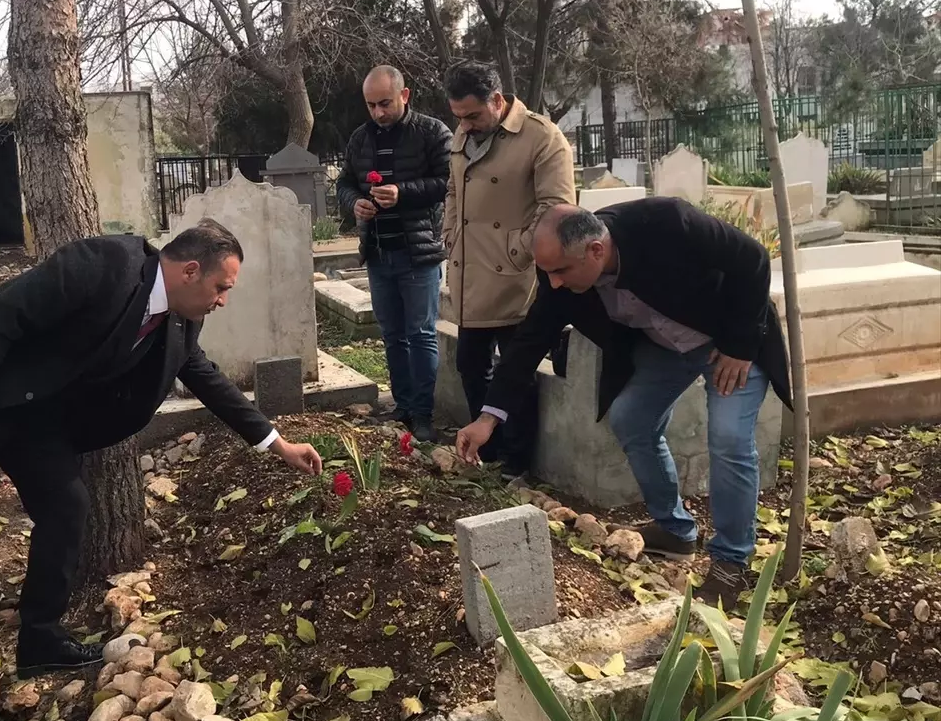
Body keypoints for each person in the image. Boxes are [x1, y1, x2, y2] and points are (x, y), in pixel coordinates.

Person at [0, 220, 323, 721]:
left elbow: (205, 377)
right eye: (222, 288)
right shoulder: (104, 265)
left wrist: (276, 443)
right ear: (190, 270)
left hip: (27, 412)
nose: (222, 301)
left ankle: (39, 637)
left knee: (66, 505)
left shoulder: (177, 321)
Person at [455, 200, 792, 609]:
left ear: (596, 251)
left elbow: (752, 258)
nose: (554, 283)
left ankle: (730, 563)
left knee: (729, 438)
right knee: (632, 417)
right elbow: (531, 339)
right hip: (666, 348)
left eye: (560, 271)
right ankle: (674, 530)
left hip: (728, 342)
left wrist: (740, 345)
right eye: (548, 272)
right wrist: (488, 419)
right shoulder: (561, 273)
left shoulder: (666, 223)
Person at [441, 61, 575, 475]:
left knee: (516, 370)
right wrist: (449, 234)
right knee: (469, 364)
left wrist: (518, 250)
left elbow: (556, 206)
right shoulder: (463, 134)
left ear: (497, 101)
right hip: (470, 273)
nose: (465, 124)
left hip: (516, 278)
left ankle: (518, 460)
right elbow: (452, 189)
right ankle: (490, 448)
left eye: (473, 115)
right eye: (458, 116)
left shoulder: (542, 137)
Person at [335, 65, 451, 442]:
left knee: (420, 334)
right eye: (371, 105)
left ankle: (423, 413)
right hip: (379, 250)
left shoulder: (432, 132)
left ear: (405, 95)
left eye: (385, 103)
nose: (378, 112)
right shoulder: (360, 138)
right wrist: (355, 204)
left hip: (418, 251)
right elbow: (345, 183)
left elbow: (449, 182)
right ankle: (402, 406)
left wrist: (404, 192)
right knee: (393, 335)